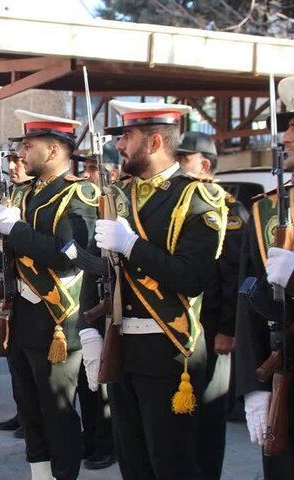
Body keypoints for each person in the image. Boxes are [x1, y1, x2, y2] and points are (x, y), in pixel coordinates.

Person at [79, 100, 228, 480]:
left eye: (128, 136)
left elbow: (193, 277)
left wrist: (132, 245)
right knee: (134, 462)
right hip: (122, 346)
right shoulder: (118, 196)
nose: (121, 146)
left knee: (171, 463)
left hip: (169, 350)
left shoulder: (197, 198)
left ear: (156, 141)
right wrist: (88, 329)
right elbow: (100, 270)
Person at [0, 111, 98, 480]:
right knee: (29, 408)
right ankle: (39, 473)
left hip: (56, 321)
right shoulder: (27, 192)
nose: (21, 154)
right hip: (20, 315)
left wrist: (15, 229)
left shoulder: (78, 194)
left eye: (28, 147)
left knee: (58, 411)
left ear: (53, 150)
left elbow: (67, 256)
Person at [176, 131, 246, 480]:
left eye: (184, 160)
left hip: (214, 328)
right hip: (186, 328)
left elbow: (232, 277)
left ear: (204, 165)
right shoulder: (181, 204)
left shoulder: (227, 209)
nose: (178, 166)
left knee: (209, 416)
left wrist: (226, 329)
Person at [236, 75, 294, 480]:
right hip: (280, 376)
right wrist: (252, 386)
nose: (286, 135)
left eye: (293, 126)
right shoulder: (267, 210)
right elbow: (248, 297)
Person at [71, 144, 120, 471]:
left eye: (93, 169)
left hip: (121, 309)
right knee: (89, 385)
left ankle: (106, 444)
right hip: (97, 306)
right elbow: (89, 264)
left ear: (112, 172)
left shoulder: (120, 205)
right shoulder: (101, 205)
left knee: (107, 388)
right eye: (86, 168)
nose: (86, 175)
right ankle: (91, 440)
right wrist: (86, 320)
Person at [0, 142, 31, 441]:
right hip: (14, 290)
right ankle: (23, 413)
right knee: (16, 363)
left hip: (46, 296)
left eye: (18, 160)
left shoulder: (41, 194)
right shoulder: (15, 193)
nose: (12, 167)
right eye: (10, 161)